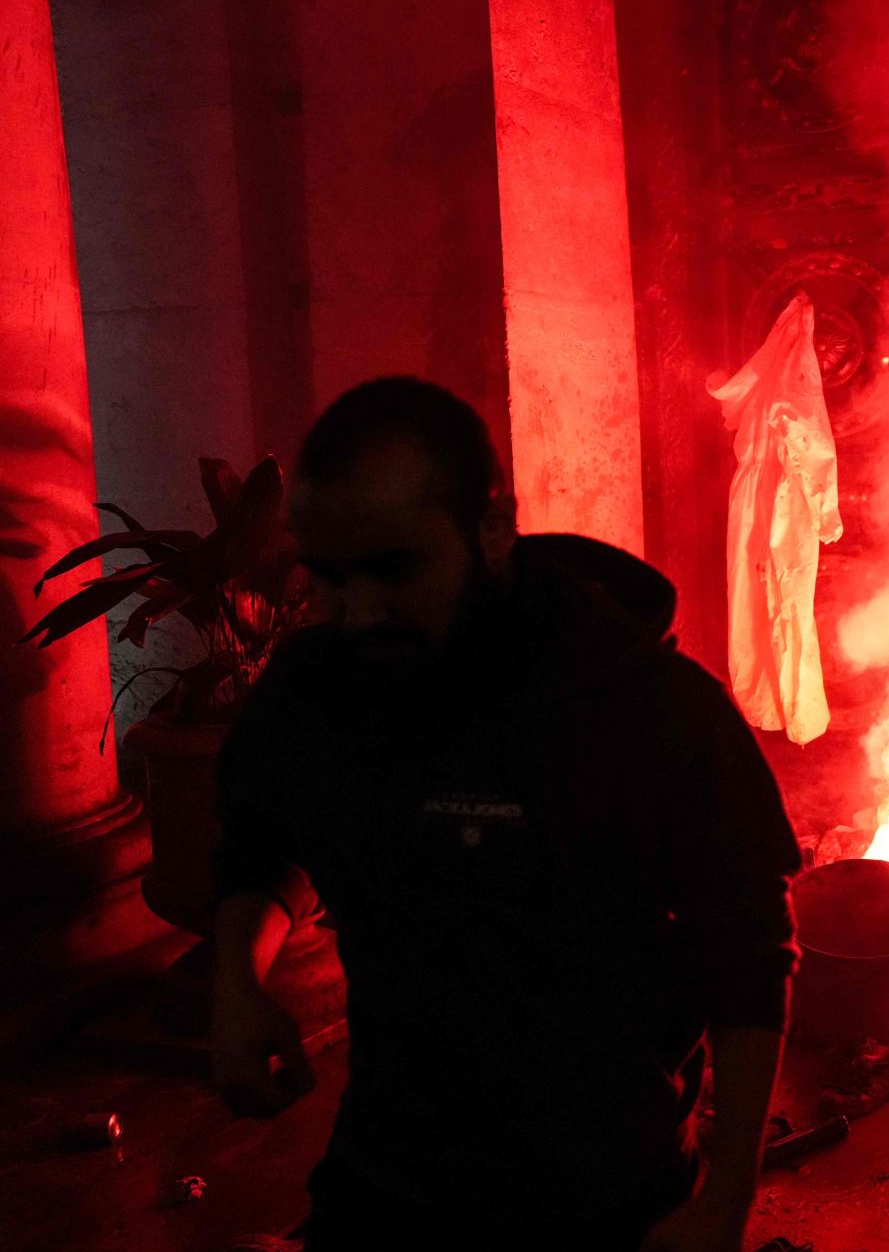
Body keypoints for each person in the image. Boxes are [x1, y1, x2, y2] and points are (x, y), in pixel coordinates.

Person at [209, 378, 800, 1252]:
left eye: (394, 568)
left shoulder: (648, 704)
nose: (357, 610)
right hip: (381, 1189)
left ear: (492, 529)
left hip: (610, 1203)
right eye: (328, 576)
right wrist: (237, 981)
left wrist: (726, 1200)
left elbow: (750, 950)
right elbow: (264, 836)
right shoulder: (317, 688)